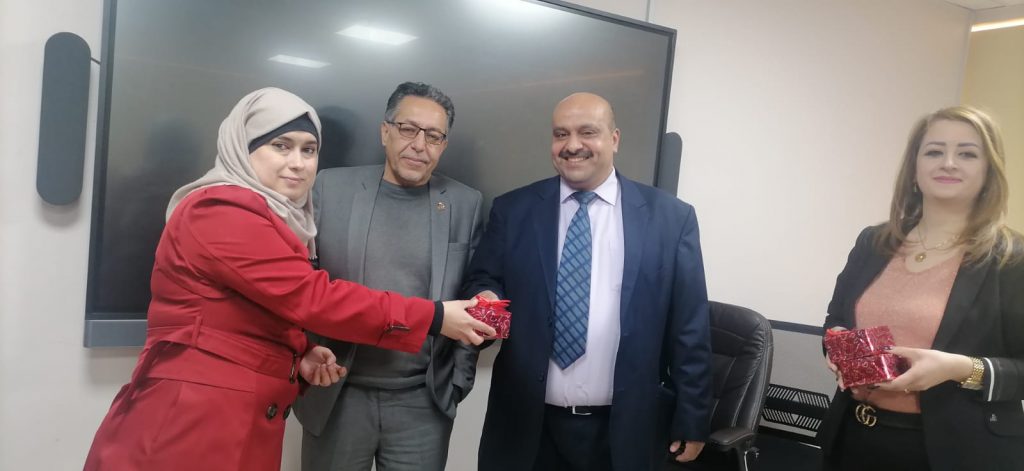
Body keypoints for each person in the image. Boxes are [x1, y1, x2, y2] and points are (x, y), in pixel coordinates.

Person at [83, 87, 495, 471]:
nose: (297, 162)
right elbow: (311, 296)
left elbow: (261, 311)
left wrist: (300, 353)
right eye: (280, 145)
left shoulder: (271, 214)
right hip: (196, 416)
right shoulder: (221, 210)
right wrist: (436, 317)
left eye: (308, 150)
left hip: (261, 412)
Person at [462, 92, 712, 470]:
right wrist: (485, 297)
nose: (572, 145)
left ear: (614, 139)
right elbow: (483, 278)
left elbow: (690, 326)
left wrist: (693, 418)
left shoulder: (670, 219)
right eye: (561, 134)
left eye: (588, 132)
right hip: (527, 427)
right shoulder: (513, 210)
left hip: (625, 430)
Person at [819, 106, 1024, 471]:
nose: (948, 163)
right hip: (853, 436)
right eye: (934, 151)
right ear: (914, 167)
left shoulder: (1011, 259)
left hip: (957, 452)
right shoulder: (873, 243)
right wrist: (838, 350)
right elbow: (836, 320)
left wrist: (959, 368)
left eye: (967, 154)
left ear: (988, 170)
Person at [294, 82, 484, 471]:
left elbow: (475, 291)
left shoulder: (465, 203)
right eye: (408, 129)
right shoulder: (330, 187)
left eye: (433, 136)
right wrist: (302, 351)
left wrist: (458, 382)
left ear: (444, 145)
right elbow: (298, 283)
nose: (419, 145)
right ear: (385, 132)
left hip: (422, 402)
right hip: (338, 392)